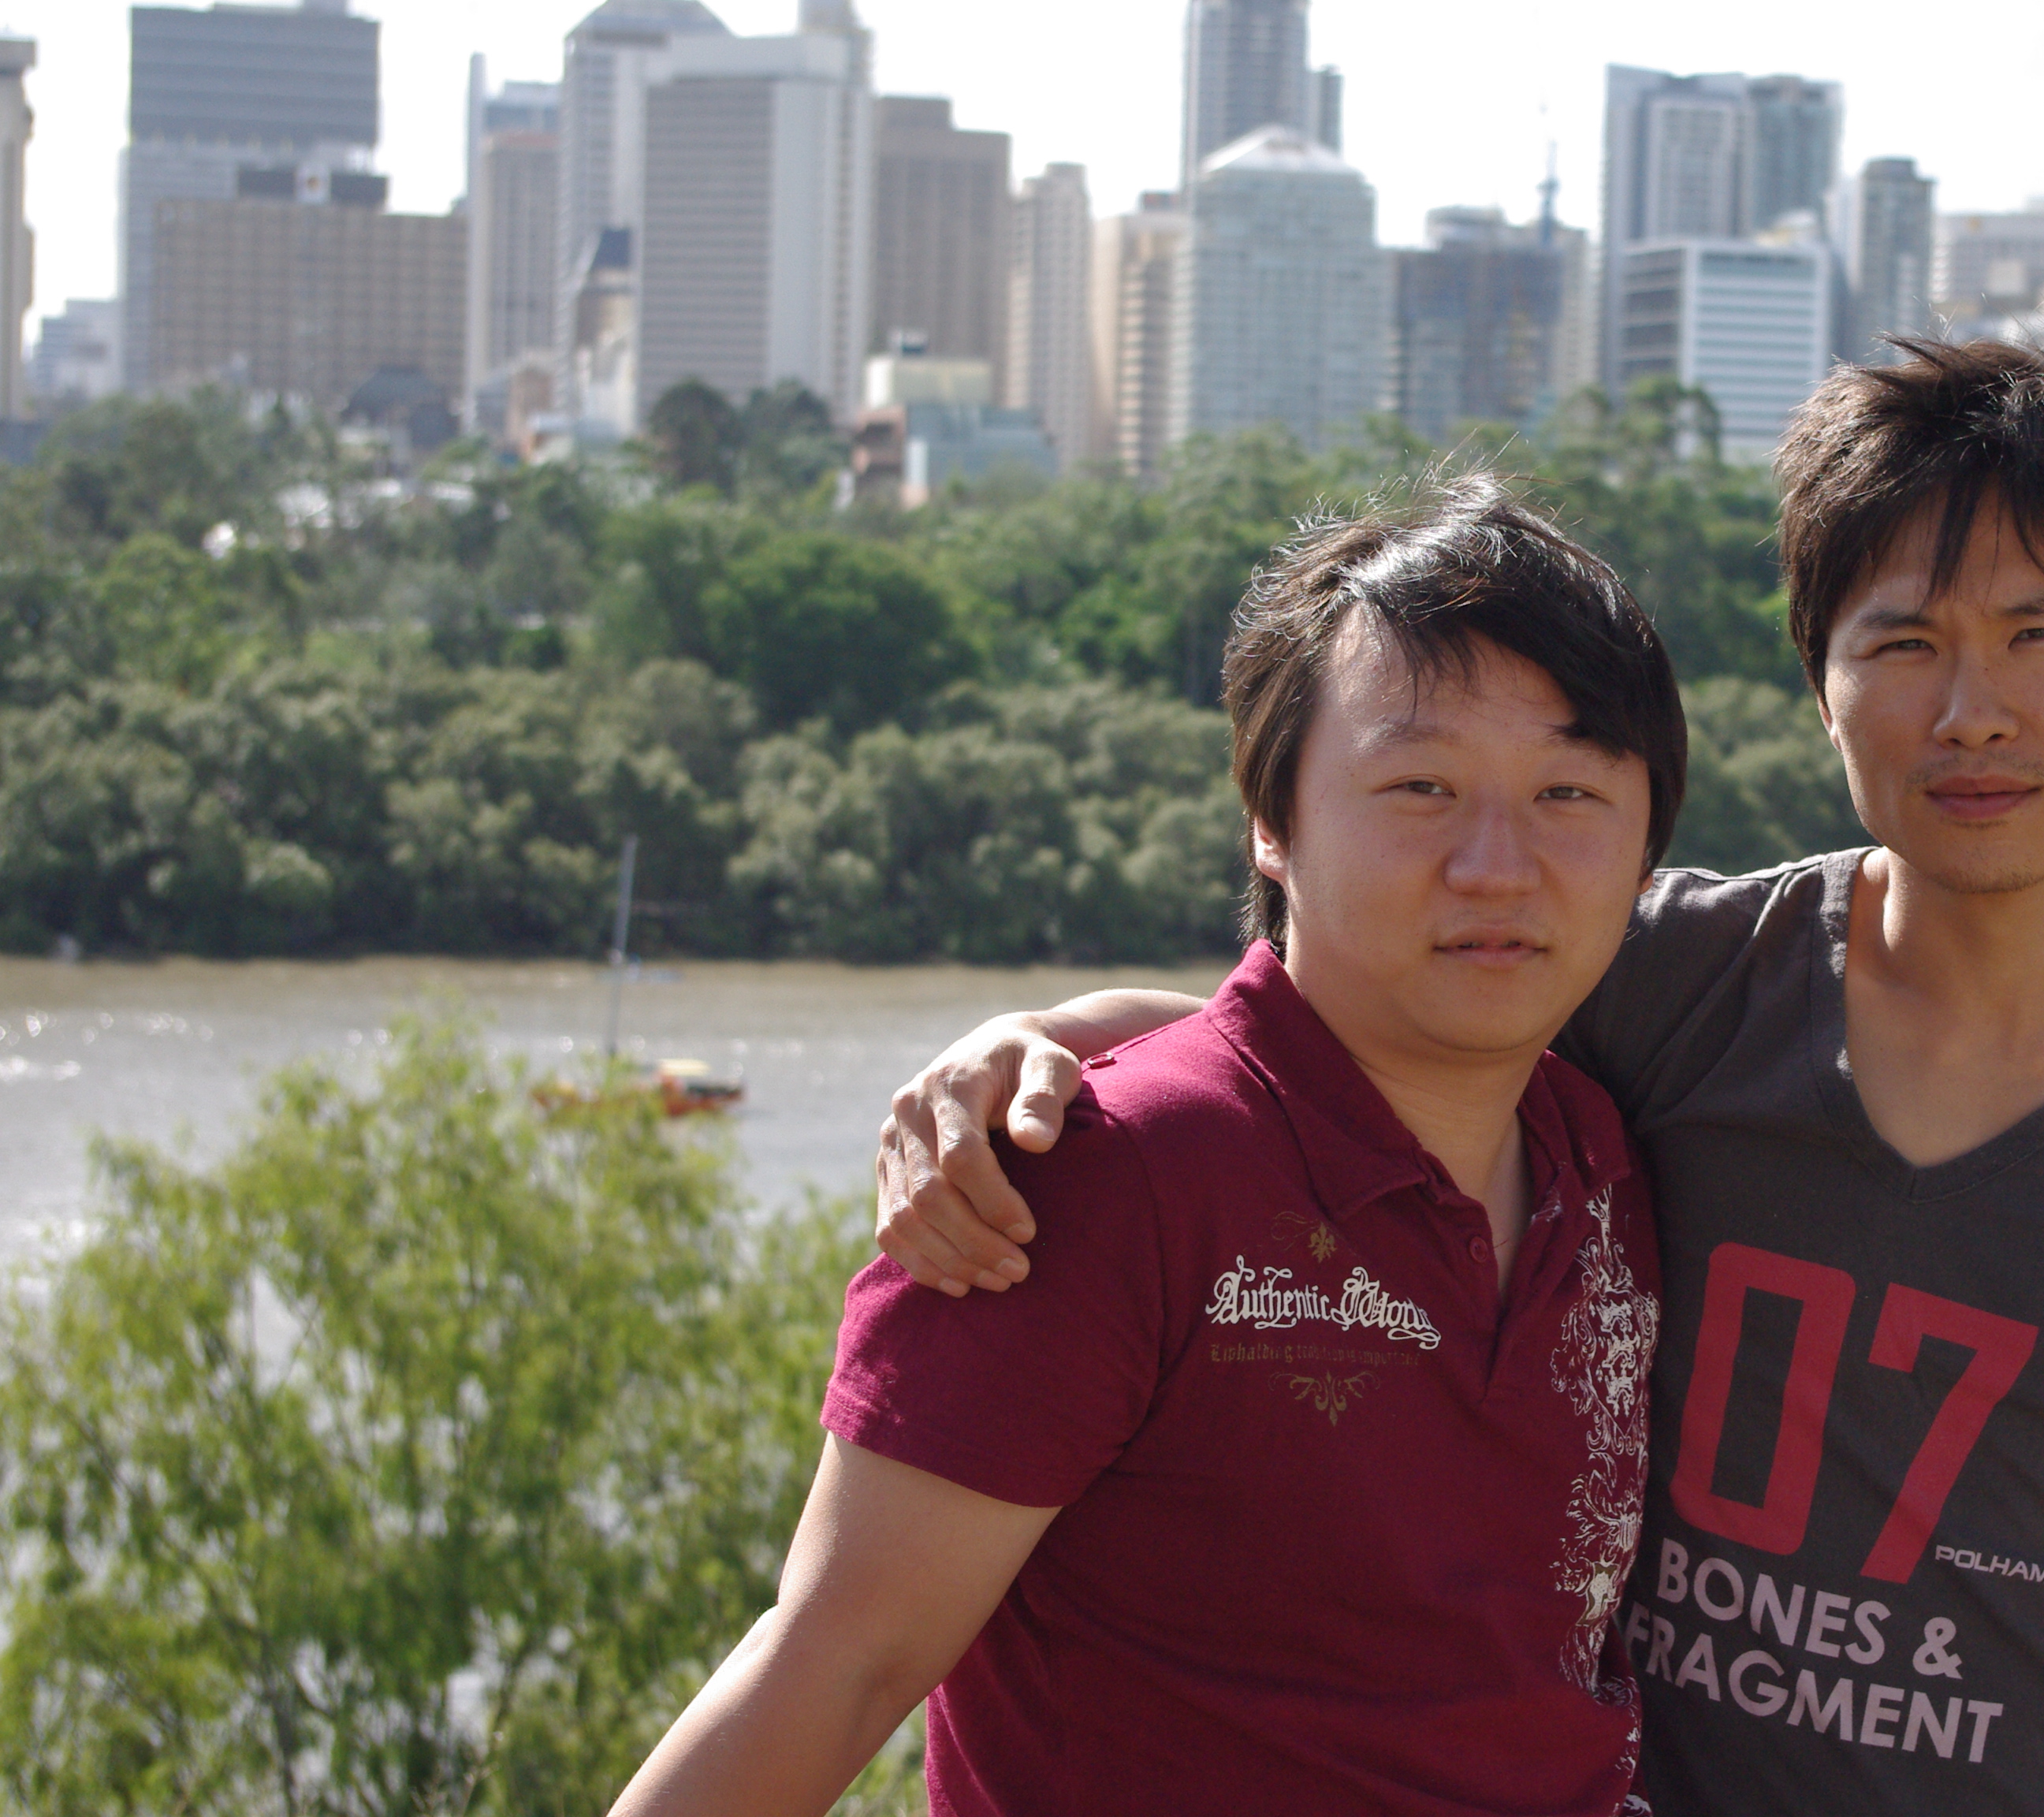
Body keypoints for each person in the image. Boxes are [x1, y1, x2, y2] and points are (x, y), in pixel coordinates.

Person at [874, 335, 2044, 1817]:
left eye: (2041, 635)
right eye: (1901, 643)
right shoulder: (1678, 978)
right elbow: (1352, 1030)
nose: (1972, 712)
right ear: (1819, 683)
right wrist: (1053, 1037)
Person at [612, 480, 1684, 1817]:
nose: (1497, 866)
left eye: (1569, 791)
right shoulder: (1091, 1179)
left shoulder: (1603, 1150)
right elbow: (835, 1664)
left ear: (1650, 847)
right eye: (1421, 786)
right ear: (1272, 822)